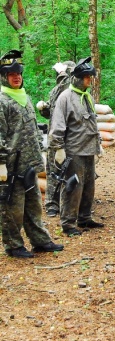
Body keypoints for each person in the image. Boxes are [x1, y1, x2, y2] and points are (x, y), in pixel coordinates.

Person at [0, 50, 64, 258]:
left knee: (34, 205)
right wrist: (1, 163)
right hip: (10, 167)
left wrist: (40, 149)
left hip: (29, 164)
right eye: (11, 74)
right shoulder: (2, 100)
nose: (16, 77)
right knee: (12, 209)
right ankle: (13, 245)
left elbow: (32, 127)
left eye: (18, 72)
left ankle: (40, 240)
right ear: (3, 76)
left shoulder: (24, 97)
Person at [48, 57, 104, 236]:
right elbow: (57, 125)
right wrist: (58, 148)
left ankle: (84, 217)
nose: (89, 80)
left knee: (89, 186)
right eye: (87, 77)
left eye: (90, 77)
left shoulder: (87, 96)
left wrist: (99, 143)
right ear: (79, 78)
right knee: (73, 187)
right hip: (73, 151)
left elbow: (93, 123)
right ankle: (68, 223)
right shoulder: (66, 97)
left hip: (89, 149)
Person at [36, 60, 76, 217]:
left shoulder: (74, 91)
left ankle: (70, 202)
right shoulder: (55, 91)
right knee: (54, 171)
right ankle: (52, 204)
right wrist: (44, 109)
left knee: (72, 170)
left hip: (72, 137)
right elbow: (51, 114)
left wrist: (64, 73)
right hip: (56, 136)